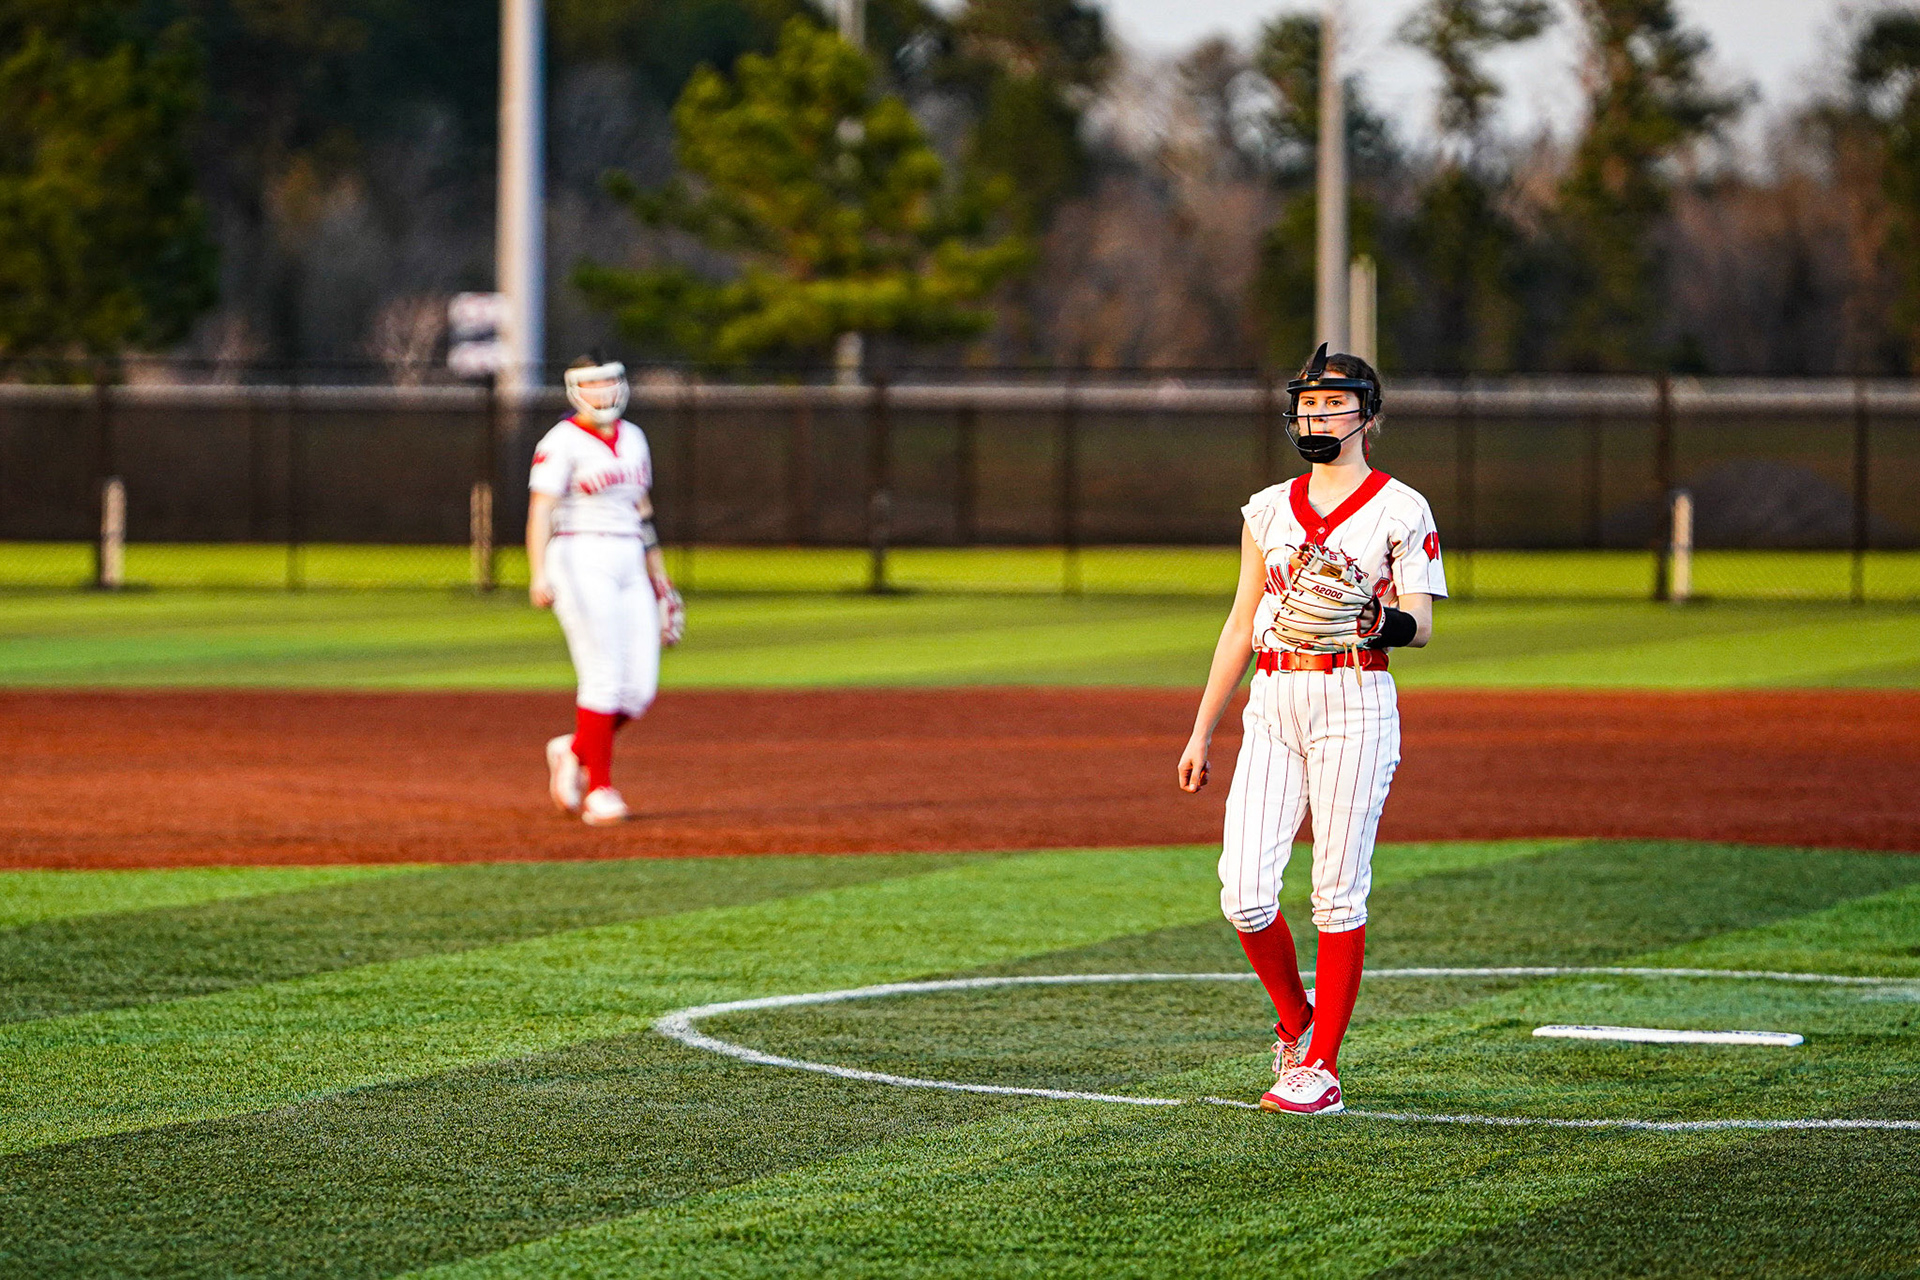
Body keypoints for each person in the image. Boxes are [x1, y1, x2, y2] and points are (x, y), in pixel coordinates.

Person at [1177, 344, 1446, 1115]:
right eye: (1308, 403)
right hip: (1272, 697)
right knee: (1243, 893)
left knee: (1336, 892)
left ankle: (1321, 1067)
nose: (1317, 415)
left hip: (1354, 697)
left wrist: (1378, 620)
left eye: (1334, 403)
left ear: (1370, 416)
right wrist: (1202, 729)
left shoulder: (1402, 507)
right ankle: (1298, 1023)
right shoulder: (1267, 508)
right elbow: (1240, 623)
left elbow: (1422, 625)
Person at [526, 356, 684, 826]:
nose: (603, 392)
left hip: (629, 555)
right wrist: (538, 573)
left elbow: (642, 511)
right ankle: (599, 790)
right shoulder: (561, 441)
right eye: (593, 384)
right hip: (580, 554)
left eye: (609, 382)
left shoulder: (634, 437)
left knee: (638, 690)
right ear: (576, 390)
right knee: (603, 675)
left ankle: (573, 750)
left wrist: (661, 579)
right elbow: (540, 510)